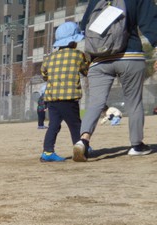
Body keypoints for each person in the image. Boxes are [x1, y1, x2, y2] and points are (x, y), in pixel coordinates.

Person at [73, 0, 157, 161]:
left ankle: (83, 140)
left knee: (95, 103)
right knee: (134, 102)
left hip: (99, 60)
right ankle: (137, 145)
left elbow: (85, 26)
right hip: (130, 56)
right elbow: (151, 23)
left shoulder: (96, 1)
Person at [39, 22, 89, 162]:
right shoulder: (78, 55)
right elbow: (86, 71)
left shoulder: (49, 58)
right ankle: (81, 148)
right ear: (74, 42)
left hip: (52, 98)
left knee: (53, 125)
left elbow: (44, 74)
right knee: (75, 125)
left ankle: (47, 152)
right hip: (69, 97)